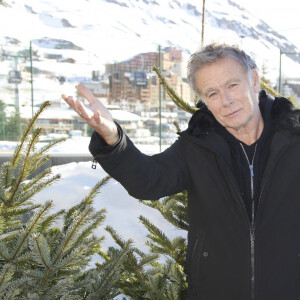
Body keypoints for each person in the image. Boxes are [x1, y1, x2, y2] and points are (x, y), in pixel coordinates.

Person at [62, 43, 300, 300]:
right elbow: (148, 181)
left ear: (253, 80)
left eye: (232, 85)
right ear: (204, 101)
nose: (226, 101)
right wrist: (113, 137)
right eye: (212, 93)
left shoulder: (294, 139)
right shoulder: (197, 146)